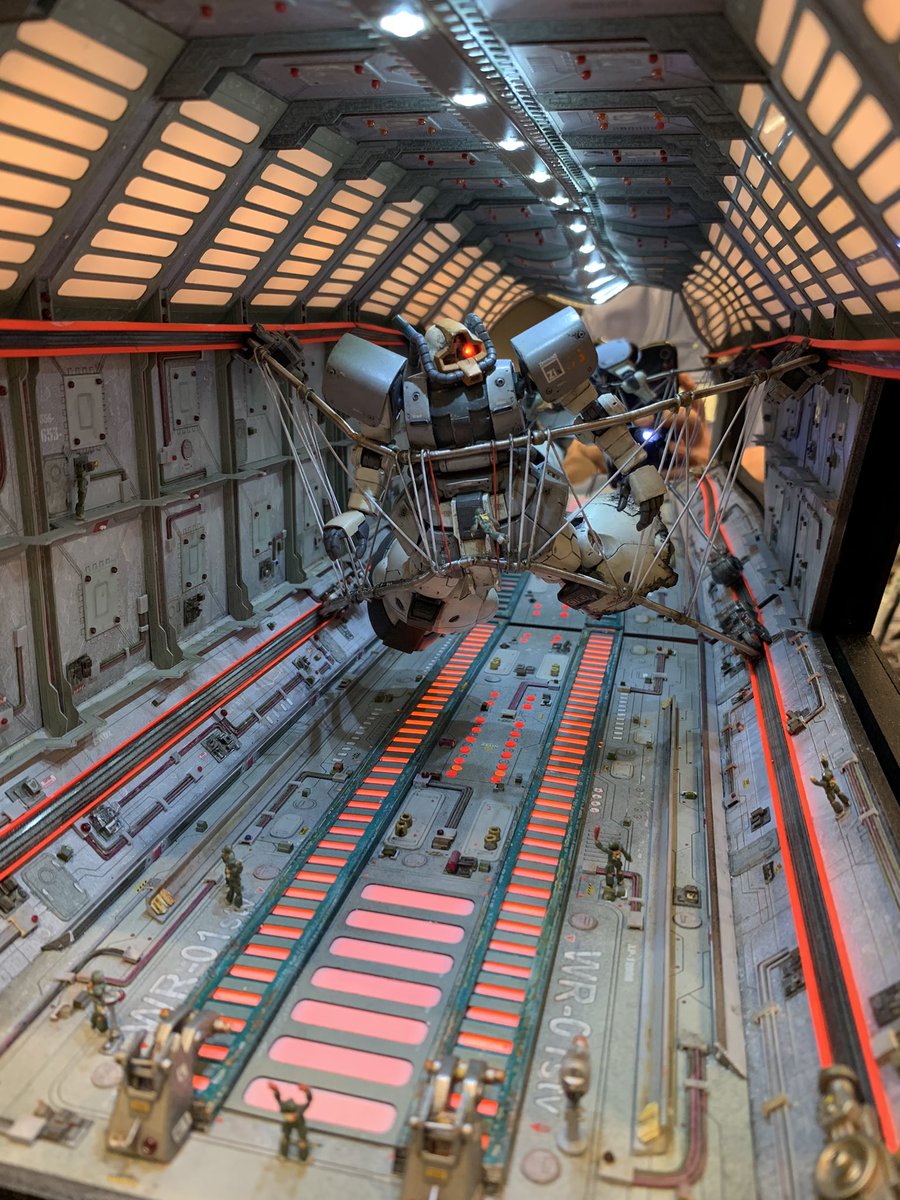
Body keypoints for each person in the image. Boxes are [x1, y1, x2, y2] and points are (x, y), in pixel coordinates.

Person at [268, 1081, 312, 1160]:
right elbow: (278, 1099)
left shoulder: (299, 1109)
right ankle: (283, 1155)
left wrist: (307, 1091)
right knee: (285, 1139)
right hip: (288, 1124)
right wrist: (276, 1090)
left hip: (299, 1123)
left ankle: (303, 1157)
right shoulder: (284, 1107)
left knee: (302, 1142)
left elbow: (309, 1101)